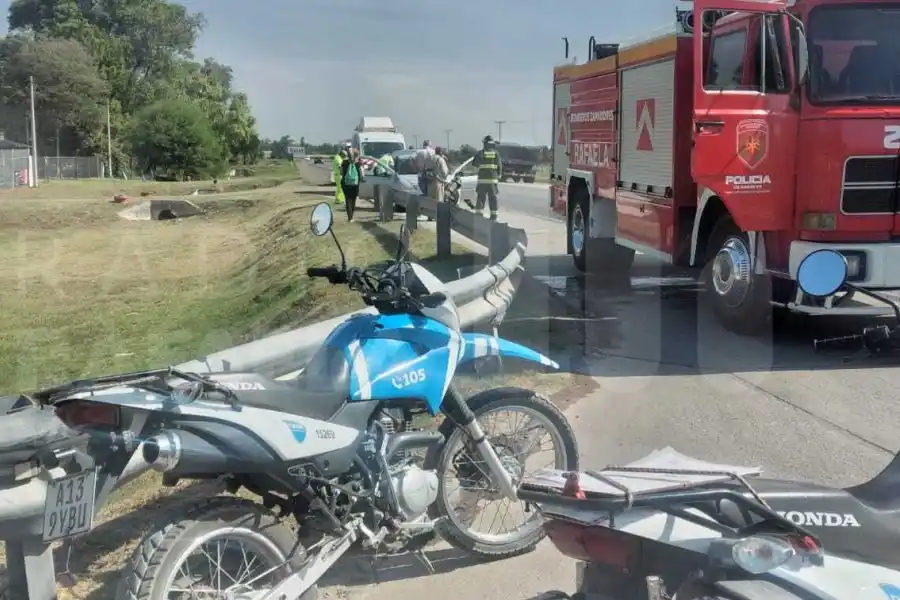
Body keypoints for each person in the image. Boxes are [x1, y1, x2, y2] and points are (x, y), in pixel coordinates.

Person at [472, 134, 502, 220]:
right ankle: (494, 216)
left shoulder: (480, 153)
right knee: (493, 198)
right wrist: (499, 174)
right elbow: (499, 166)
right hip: (493, 180)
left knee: (481, 198)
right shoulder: (496, 153)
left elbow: (474, 163)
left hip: (482, 181)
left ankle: (479, 216)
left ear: (485, 143)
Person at [340, 148, 364, 221]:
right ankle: (351, 217)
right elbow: (362, 175)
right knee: (353, 200)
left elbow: (341, 172)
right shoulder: (358, 163)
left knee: (348, 200)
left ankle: (349, 218)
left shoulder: (344, 162)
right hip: (355, 185)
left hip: (345, 184)